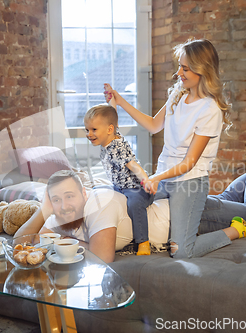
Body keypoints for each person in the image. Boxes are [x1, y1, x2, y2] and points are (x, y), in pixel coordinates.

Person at [15, 148, 246, 263]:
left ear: (84, 192)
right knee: (227, 200)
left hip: (189, 217)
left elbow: (102, 257)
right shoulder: (58, 213)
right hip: (184, 209)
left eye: (69, 196)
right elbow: (19, 244)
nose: (64, 205)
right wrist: (43, 211)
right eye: (56, 199)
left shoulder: (98, 204)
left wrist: (55, 244)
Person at [103, 38, 231, 259]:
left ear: (203, 70)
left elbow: (189, 163)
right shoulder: (178, 93)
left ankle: (236, 230)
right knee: (128, 198)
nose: (178, 73)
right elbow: (153, 125)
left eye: (185, 68)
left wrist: (155, 177)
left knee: (181, 252)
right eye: (179, 66)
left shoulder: (210, 110)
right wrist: (120, 101)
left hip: (189, 181)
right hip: (164, 175)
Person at [84, 104, 154, 256]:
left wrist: (147, 181)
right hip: (119, 186)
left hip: (136, 188)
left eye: (94, 130)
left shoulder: (118, 147)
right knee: (97, 190)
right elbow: (111, 119)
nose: (89, 134)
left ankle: (143, 242)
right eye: (87, 130)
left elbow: (134, 166)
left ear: (109, 130)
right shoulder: (109, 137)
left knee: (134, 204)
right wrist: (111, 100)